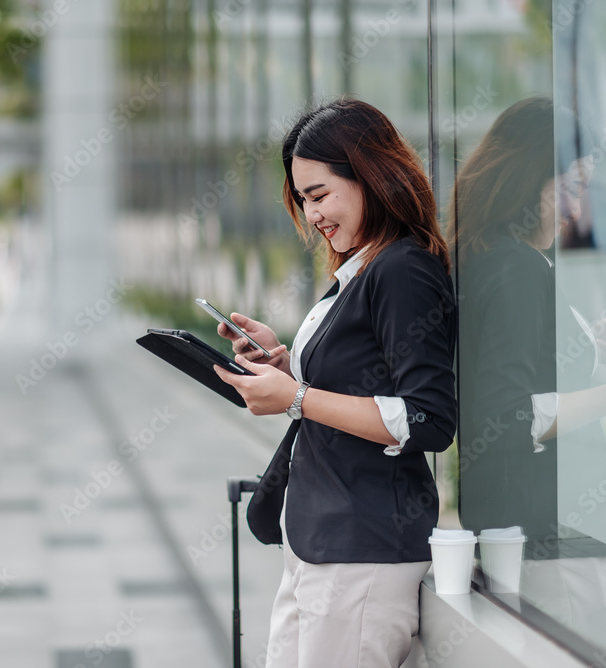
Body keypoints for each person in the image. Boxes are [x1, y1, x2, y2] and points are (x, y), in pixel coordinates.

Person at [213, 98, 457, 668]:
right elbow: (354, 388)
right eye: (302, 200)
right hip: (321, 545)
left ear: (372, 174)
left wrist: (295, 397)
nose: (312, 214)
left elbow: (427, 418)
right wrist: (285, 368)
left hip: (361, 555)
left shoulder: (401, 269)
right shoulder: (363, 270)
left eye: (320, 195)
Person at [450, 96, 606, 647]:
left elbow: (520, 374)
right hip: (555, 541)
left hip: (540, 536)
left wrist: (594, 346)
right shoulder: (516, 269)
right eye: (568, 189)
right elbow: (512, 415)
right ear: (527, 181)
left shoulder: (497, 257)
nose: (575, 210)